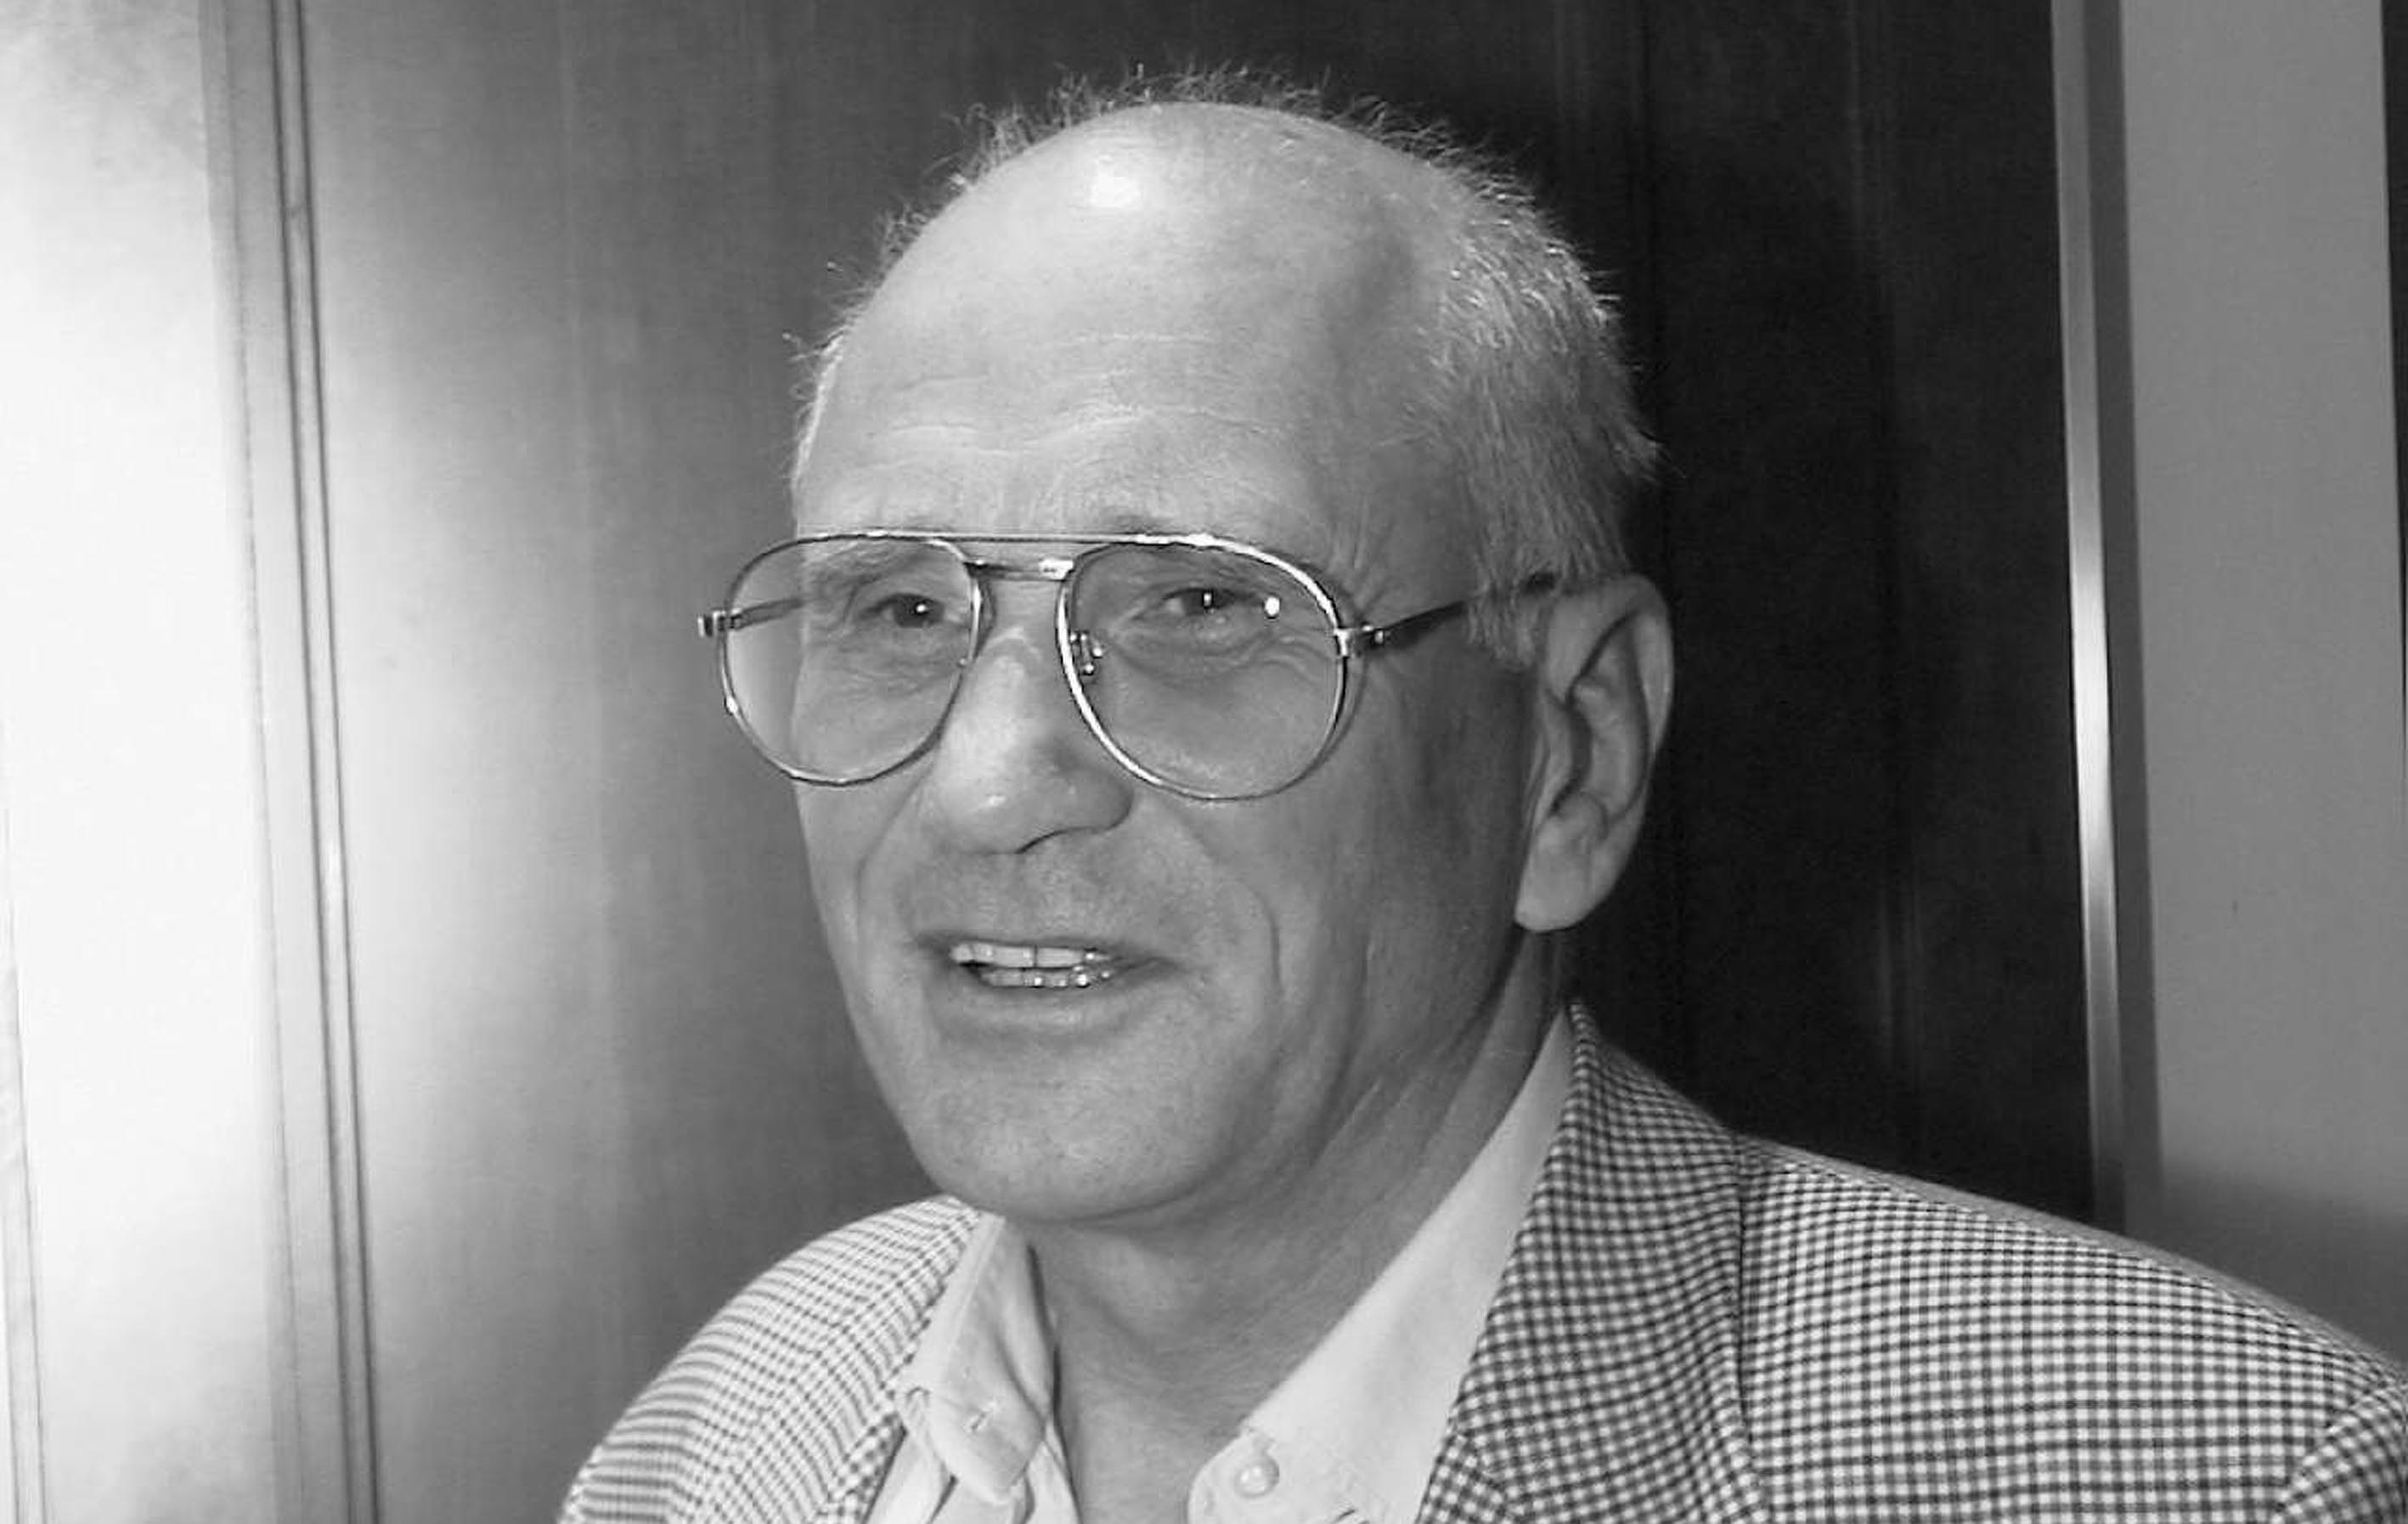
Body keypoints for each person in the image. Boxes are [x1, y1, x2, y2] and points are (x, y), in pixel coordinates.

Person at [563, 79, 2408, 1524]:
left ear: (1570, 756)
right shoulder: (715, 1441)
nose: (984, 788)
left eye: (1204, 606)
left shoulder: (2210, 1475)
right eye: (896, 609)